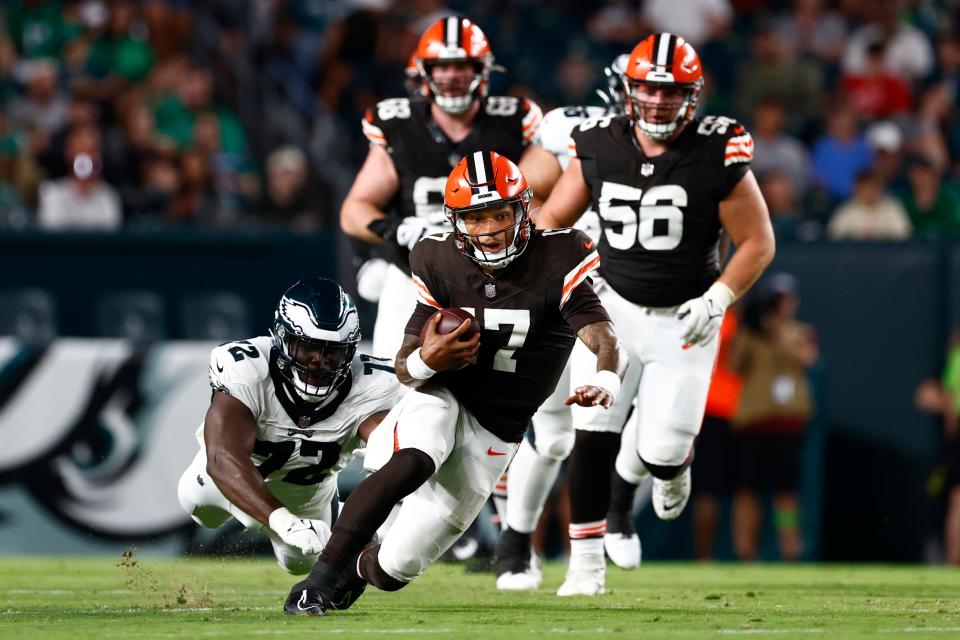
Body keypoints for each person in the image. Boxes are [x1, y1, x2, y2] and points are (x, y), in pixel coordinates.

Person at [283, 151, 626, 615]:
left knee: (393, 570)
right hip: (445, 393)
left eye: (499, 215)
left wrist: (606, 377)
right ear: (456, 221)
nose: (488, 230)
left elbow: (603, 337)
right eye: (475, 218)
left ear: (522, 210)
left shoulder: (560, 256)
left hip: (497, 431)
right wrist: (430, 359)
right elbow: (404, 367)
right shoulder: (436, 256)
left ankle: (358, 571)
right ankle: (319, 579)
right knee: (416, 459)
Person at [536, 33, 775, 596]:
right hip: (612, 311)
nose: (660, 100)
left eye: (671, 90)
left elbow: (758, 241)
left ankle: (646, 480)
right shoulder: (597, 142)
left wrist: (717, 298)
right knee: (591, 431)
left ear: (692, 96)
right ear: (629, 89)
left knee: (663, 451)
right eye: (648, 87)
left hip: (684, 317)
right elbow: (551, 220)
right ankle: (585, 567)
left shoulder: (719, 148)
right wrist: (561, 273)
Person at [494, 54, 637, 591]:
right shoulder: (571, 130)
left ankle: (608, 526)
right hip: (571, 291)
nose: (647, 103)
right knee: (554, 435)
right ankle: (516, 541)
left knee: (609, 425)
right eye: (637, 89)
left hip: (630, 301)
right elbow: (519, 199)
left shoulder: (687, 147)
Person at [339, 15, 543, 361]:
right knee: (395, 380)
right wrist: (397, 229)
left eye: (461, 65)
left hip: (497, 274)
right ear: (423, 71)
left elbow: (541, 200)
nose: (450, 76)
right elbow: (355, 209)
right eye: (441, 66)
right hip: (415, 273)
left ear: (482, 69)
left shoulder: (513, 120)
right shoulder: (398, 124)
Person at [177, 278, 405, 575]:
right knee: (195, 504)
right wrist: (282, 522)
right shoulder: (248, 368)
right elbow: (222, 458)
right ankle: (283, 517)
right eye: (308, 348)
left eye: (332, 352)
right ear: (283, 338)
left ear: (349, 352)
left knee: (300, 563)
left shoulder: (372, 386)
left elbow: (394, 452)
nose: (319, 362)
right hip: (231, 481)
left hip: (306, 498)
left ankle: (330, 514)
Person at [728, 273, 817, 561]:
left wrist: (775, 330)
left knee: (786, 493)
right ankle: (745, 550)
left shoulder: (800, 331)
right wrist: (747, 327)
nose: (782, 307)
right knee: (746, 491)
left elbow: (806, 358)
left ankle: (790, 548)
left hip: (787, 424)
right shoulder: (751, 334)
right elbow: (733, 365)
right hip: (754, 423)